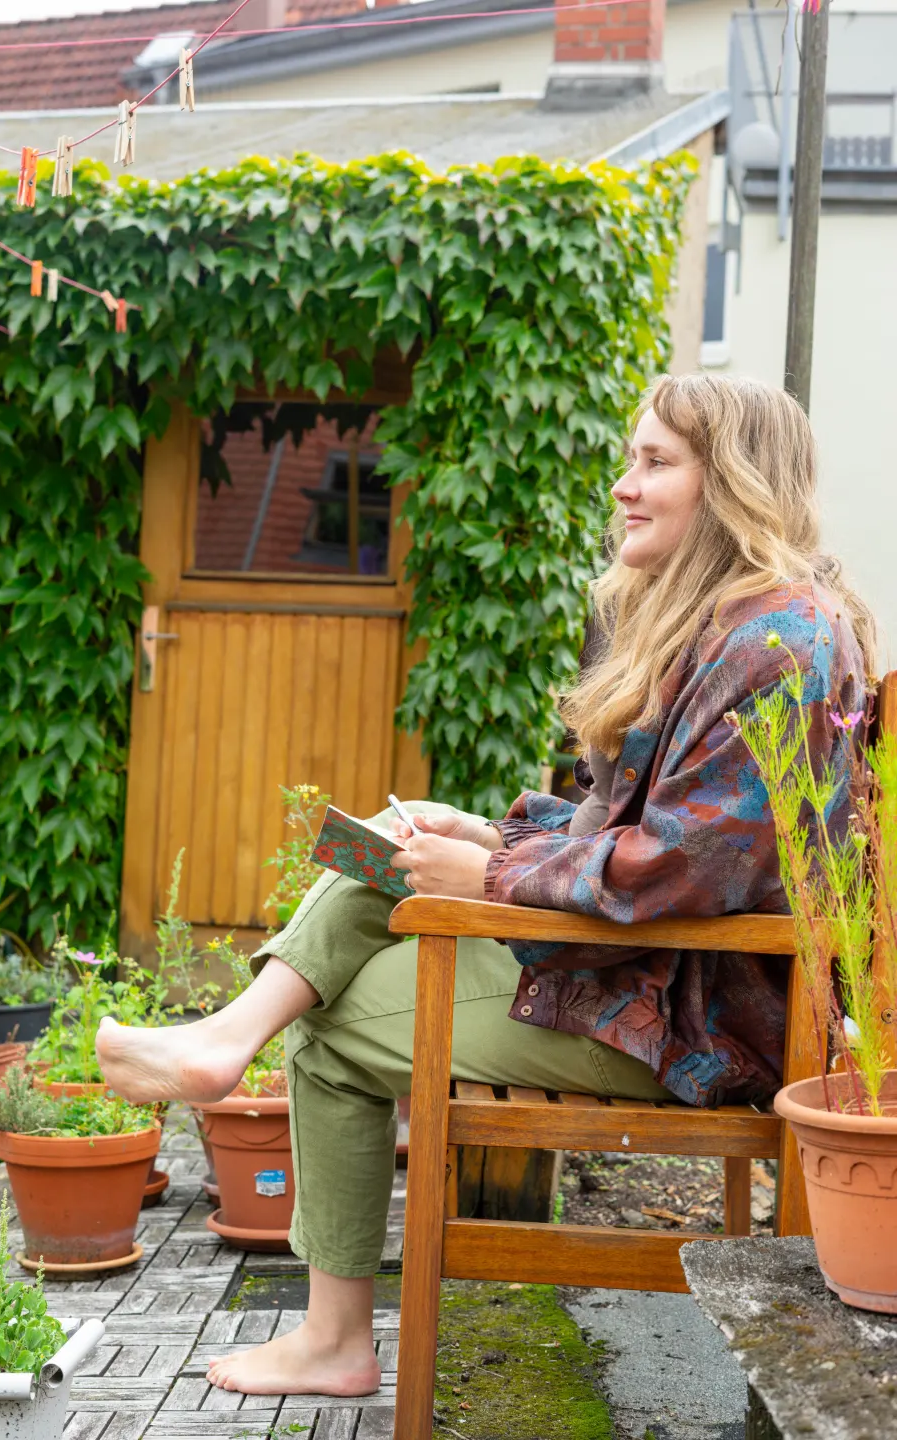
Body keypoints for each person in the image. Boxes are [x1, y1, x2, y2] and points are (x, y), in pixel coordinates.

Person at [96, 372, 873, 1398]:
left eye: (655, 463)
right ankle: (228, 1040)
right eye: (630, 459)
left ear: (730, 483)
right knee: (389, 854)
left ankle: (332, 1336)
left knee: (329, 1030)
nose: (624, 486)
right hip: (644, 970)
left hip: (691, 1018)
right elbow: (641, 838)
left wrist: (494, 871)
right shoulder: (736, 627)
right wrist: (489, 834)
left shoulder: (782, 646)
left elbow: (684, 871)